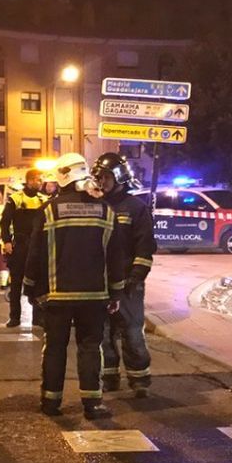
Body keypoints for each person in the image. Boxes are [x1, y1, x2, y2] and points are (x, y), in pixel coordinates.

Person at [23, 153, 125, 420]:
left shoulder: (49, 210)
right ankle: (93, 403)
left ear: (61, 178)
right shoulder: (106, 210)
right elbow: (115, 256)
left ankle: (51, 401)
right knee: (91, 347)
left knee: (55, 347)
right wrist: (116, 292)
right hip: (95, 296)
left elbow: (35, 253)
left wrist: (31, 289)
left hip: (57, 295)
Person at [92, 152, 157, 397]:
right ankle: (109, 376)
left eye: (106, 176)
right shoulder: (95, 206)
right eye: (99, 177)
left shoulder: (135, 208)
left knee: (131, 331)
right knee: (104, 333)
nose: (102, 182)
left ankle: (139, 379)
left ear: (119, 177)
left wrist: (137, 275)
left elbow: (145, 246)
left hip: (129, 283)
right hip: (101, 282)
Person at [0, 169, 49, 327]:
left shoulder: (44, 200)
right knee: (16, 283)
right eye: (36, 179)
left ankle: (38, 316)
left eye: (41, 180)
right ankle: (15, 317)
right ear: (28, 181)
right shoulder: (15, 199)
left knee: (38, 281)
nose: (39, 182)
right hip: (20, 246)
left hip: (38, 246)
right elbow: (4, 222)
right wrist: (7, 241)